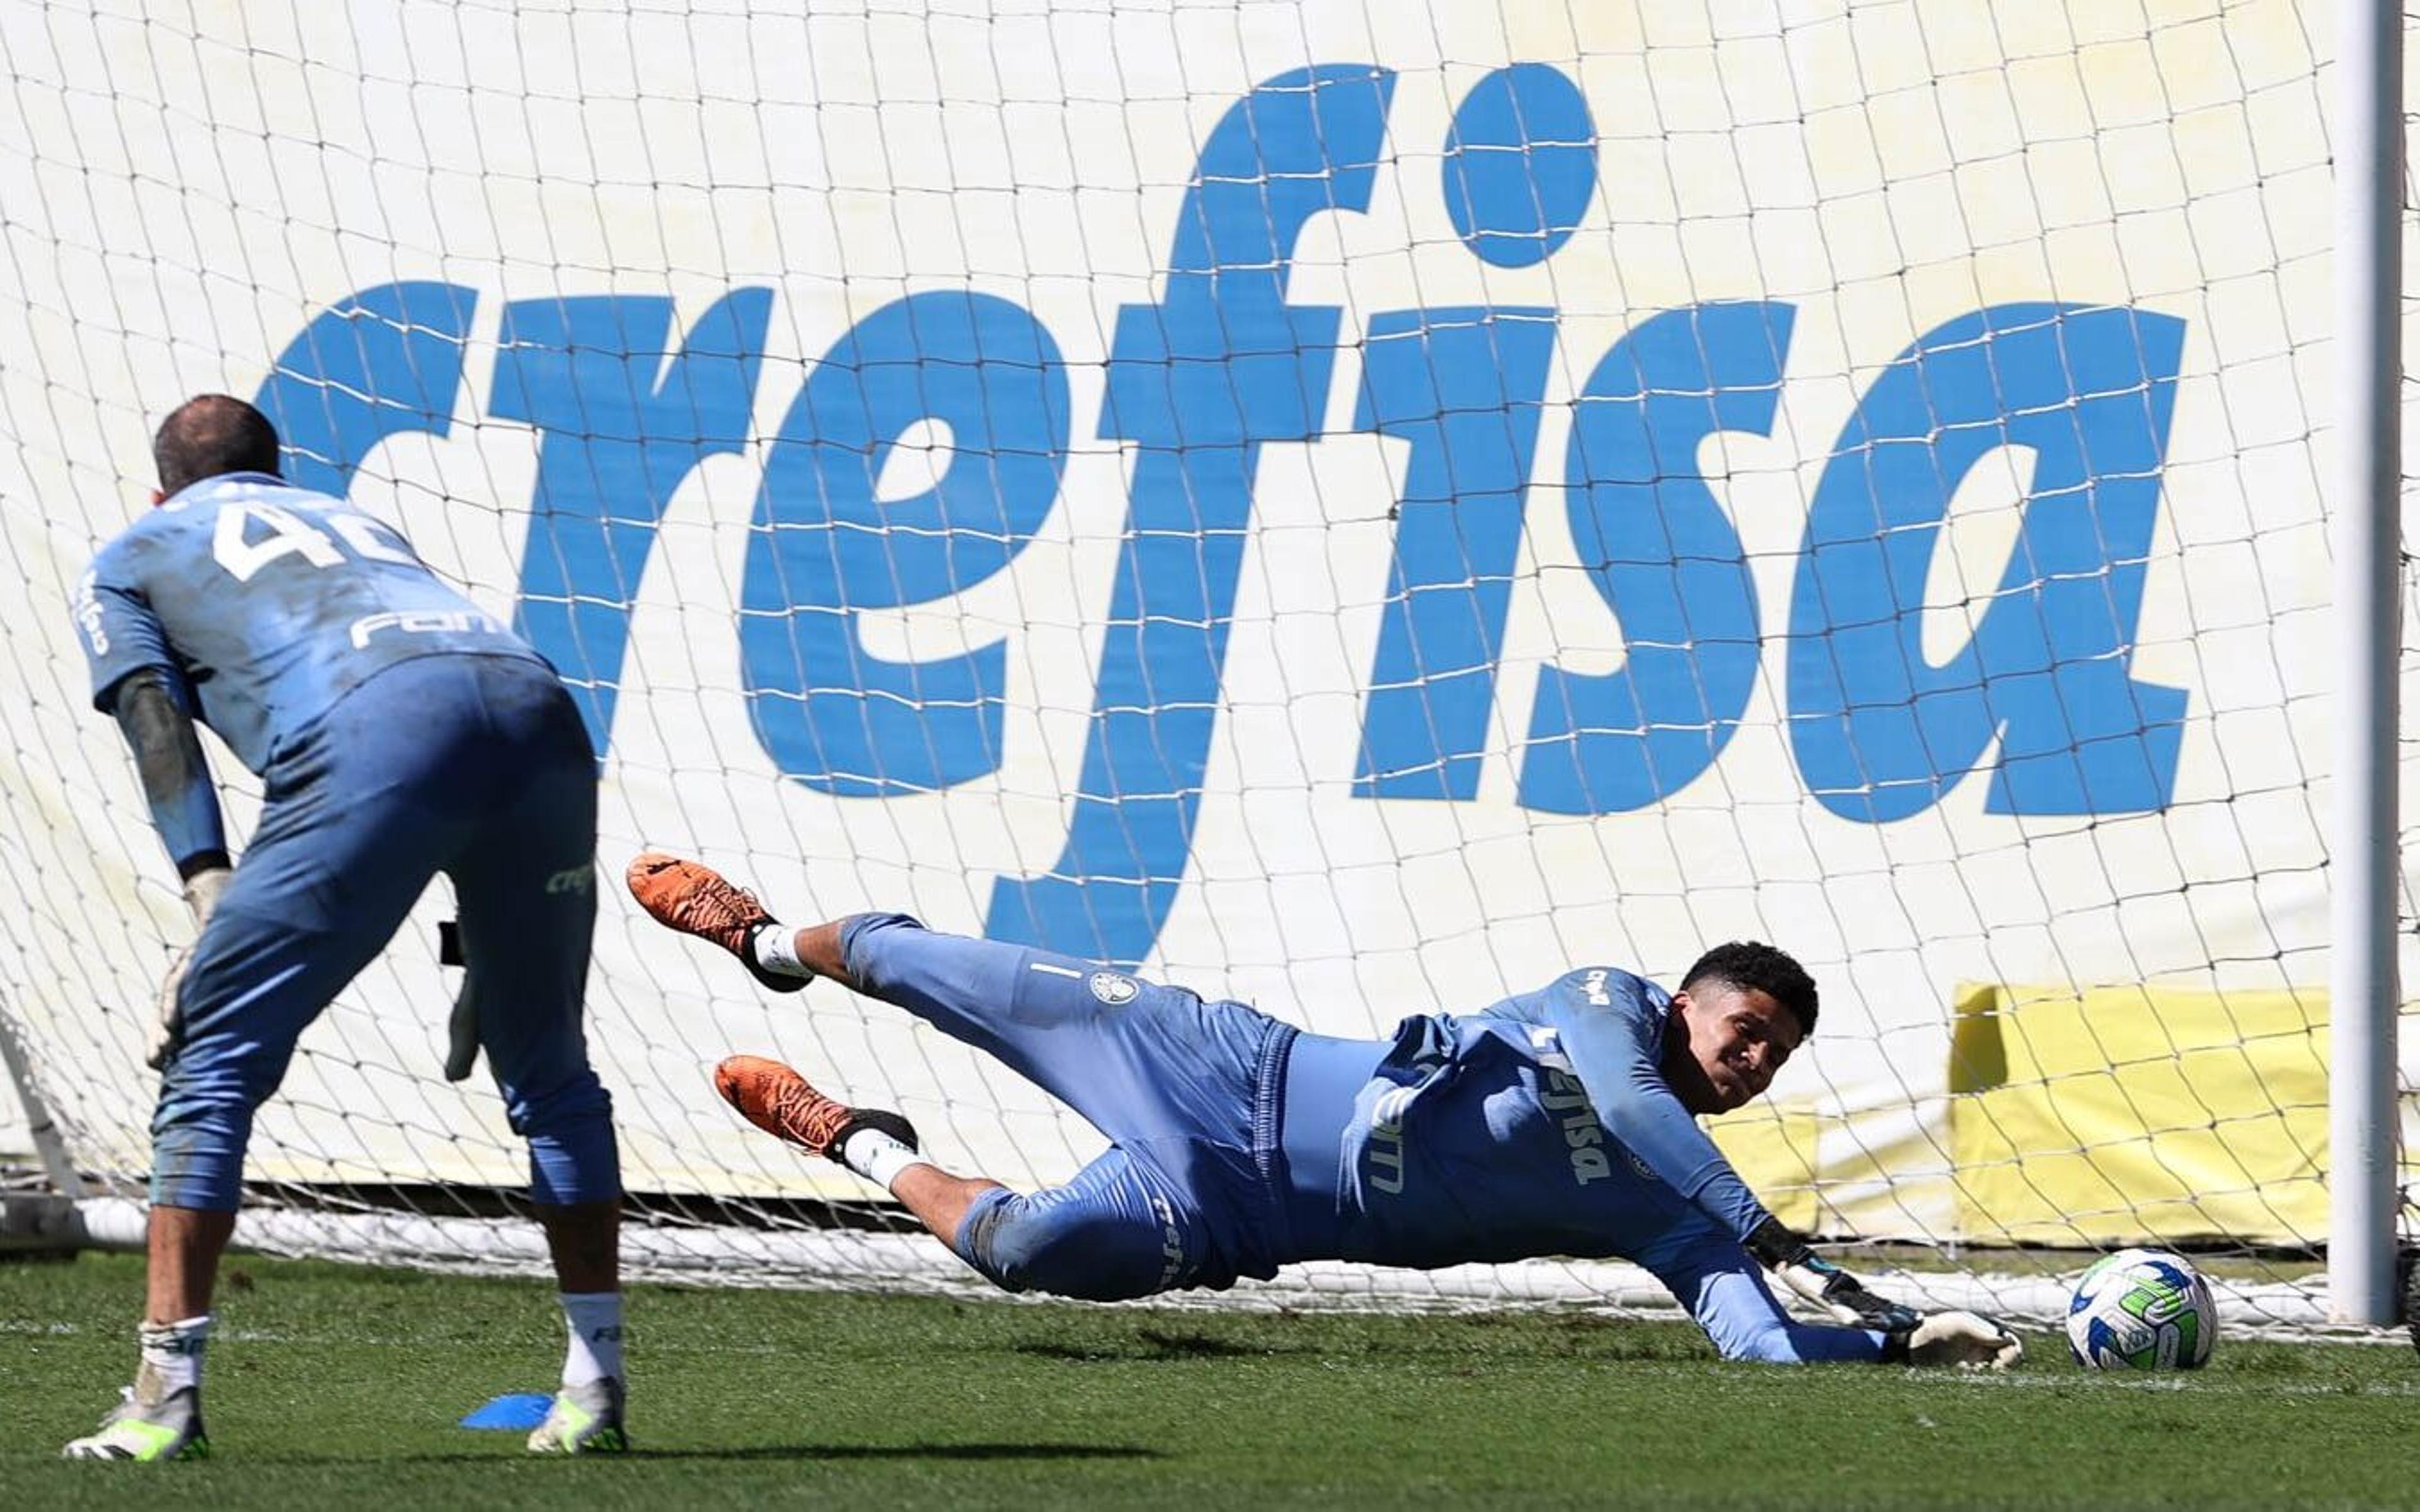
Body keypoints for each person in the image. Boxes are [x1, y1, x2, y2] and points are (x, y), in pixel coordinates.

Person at [628, 852, 2023, 1368]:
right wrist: (1757, 1220)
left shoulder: (1668, 1196)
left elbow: (1760, 1350)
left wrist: (1902, 1346)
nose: (1756, 1063)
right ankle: (759, 945)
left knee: (1031, 1257)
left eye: (1776, 1056)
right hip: (1225, 1067)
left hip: (1244, 1210)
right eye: (1748, 1032)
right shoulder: (1605, 1004)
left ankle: (848, 1137)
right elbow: (1624, 1097)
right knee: (932, 964)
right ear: (1690, 1001)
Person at [64, 395, 627, 1459]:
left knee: (213, 1054)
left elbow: (152, 714)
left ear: (159, 491)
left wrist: (205, 883)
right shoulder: (360, 521)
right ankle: (596, 1390)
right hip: (537, 708)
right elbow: (460, 716)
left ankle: (162, 1401)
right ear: (278, 471)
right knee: (551, 1071)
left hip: (374, 727)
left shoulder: (133, 551)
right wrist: (484, 939)